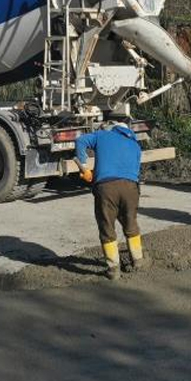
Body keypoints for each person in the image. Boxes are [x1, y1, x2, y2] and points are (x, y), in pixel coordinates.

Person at [74, 114, 146, 280]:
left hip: (106, 187)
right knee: (130, 223)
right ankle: (138, 261)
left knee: (107, 226)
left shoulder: (102, 135)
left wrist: (84, 166)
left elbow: (80, 141)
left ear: (113, 127)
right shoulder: (135, 145)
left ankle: (113, 269)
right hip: (131, 187)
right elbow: (135, 170)